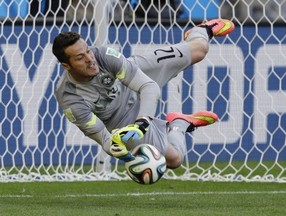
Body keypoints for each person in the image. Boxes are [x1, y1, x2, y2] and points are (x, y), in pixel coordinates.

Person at [52, 19, 235, 169]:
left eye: (87, 51)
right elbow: (104, 139)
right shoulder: (70, 98)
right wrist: (126, 156)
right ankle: (179, 124)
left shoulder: (103, 56)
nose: (90, 59)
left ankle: (202, 30)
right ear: (66, 66)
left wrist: (143, 122)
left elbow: (149, 86)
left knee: (199, 50)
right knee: (173, 160)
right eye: (80, 58)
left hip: (134, 78)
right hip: (121, 120)